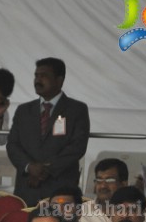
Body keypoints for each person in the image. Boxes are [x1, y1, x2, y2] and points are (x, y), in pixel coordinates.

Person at [6, 58, 90, 207]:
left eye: (43, 76)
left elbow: (77, 147)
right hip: (27, 189)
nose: (38, 80)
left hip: (61, 188)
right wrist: (29, 167)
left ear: (59, 80)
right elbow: (12, 145)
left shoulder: (77, 109)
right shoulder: (23, 110)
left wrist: (46, 170)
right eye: (36, 75)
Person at [80, 158, 146, 222]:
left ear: (124, 184)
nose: (103, 186)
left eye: (110, 180)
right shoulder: (80, 213)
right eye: (99, 180)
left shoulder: (143, 214)